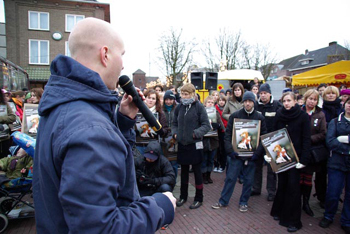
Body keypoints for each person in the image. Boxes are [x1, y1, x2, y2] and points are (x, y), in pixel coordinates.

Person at [33, 18, 175, 234]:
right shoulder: (90, 129)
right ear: (105, 54)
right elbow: (99, 228)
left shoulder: (64, 106)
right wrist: (158, 208)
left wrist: (122, 123)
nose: (124, 65)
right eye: (122, 54)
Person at [212, 91, 267, 212]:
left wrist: (257, 154)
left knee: (248, 180)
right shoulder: (235, 115)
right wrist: (230, 151)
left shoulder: (259, 117)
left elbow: (263, 137)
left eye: (250, 101)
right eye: (246, 101)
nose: (248, 103)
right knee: (230, 178)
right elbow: (227, 135)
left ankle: (244, 202)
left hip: (252, 155)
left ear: (253, 102)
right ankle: (223, 201)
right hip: (236, 155)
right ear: (243, 102)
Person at [266, 91, 311, 232]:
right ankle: (280, 211)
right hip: (281, 157)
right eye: (284, 101)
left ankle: (293, 221)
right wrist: (270, 154)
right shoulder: (279, 115)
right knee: (283, 184)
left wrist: (304, 159)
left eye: (289, 101)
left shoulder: (303, 117)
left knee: (293, 188)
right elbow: (273, 134)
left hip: (296, 158)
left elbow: (306, 139)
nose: (286, 103)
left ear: (295, 101)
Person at [172, 83, 211, 209]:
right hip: (183, 144)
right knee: (183, 172)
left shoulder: (199, 107)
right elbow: (174, 123)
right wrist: (175, 134)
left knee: (197, 172)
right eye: (182, 94)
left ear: (192, 94)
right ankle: (183, 196)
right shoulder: (179, 108)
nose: (183, 96)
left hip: (195, 145)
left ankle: (199, 198)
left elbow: (206, 125)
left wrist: (195, 134)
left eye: (186, 94)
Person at [319, 97, 350, 233]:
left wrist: (344, 139)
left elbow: (336, 141)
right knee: (333, 192)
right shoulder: (335, 122)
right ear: (345, 104)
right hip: (336, 162)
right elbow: (330, 141)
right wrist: (347, 149)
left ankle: (346, 220)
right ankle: (328, 215)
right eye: (349, 103)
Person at [252, 83, 281, 201]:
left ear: (270, 94)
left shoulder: (277, 105)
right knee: (257, 166)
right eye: (261, 93)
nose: (263, 96)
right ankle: (256, 188)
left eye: (265, 93)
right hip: (258, 140)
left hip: (272, 140)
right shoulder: (255, 106)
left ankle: (271, 191)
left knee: (271, 168)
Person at [300, 89, 327, 217]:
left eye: (315, 99)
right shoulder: (299, 111)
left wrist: (309, 139)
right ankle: (297, 201)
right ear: (306, 99)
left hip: (311, 151)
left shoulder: (320, 114)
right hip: (299, 150)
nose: (312, 101)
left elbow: (323, 133)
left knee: (308, 177)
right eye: (310, 98)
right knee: (298, 177)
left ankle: (306, 202)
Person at [202, 96, 222, 184]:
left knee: (211, 159)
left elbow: (222, 126)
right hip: (204, 140)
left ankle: (208, 175)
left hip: (213, 140)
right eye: (208, 102)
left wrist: (217, 125)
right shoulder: (201, 113)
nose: (210, 104)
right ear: (205, 104)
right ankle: (203, 176)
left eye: (212, 102)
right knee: (204, 159)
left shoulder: (216, 113)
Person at [162, 90, 178, 179]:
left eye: (171, 99)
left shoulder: (177, 109)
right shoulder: (160, 109)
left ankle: (174, 179)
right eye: (166, 99)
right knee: (164, 160)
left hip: (174, 138)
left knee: (173, 161)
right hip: (163, 138)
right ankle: (166, 178)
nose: (168, 102)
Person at [0, 90, 16, 158]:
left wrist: (1, 118)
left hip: (4, 137)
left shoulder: (4, 105)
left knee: (3, 158)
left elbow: (13, 117)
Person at [214, 94, 228, 173]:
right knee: (216, 149)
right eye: (220, 100)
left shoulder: (227, 109)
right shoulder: (215, 108)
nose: (221, 102)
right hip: (216, 131)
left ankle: (222, 165)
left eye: (223, 100)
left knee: (223, 149)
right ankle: (216, 164)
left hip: (224, 131)